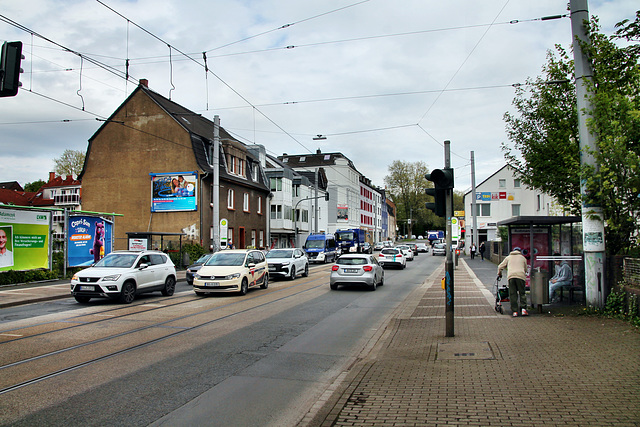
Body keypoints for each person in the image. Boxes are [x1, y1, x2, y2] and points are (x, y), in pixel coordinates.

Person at [497, 247, 529, 317]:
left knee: (512, 294)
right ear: (519, 251)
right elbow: (525, 269)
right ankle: (523, 309)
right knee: (522, 293)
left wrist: (500, 274)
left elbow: (500, 267)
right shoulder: (523, 258)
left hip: (511, 277)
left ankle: (515, 311)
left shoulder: (508, 257)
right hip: (520, 276)